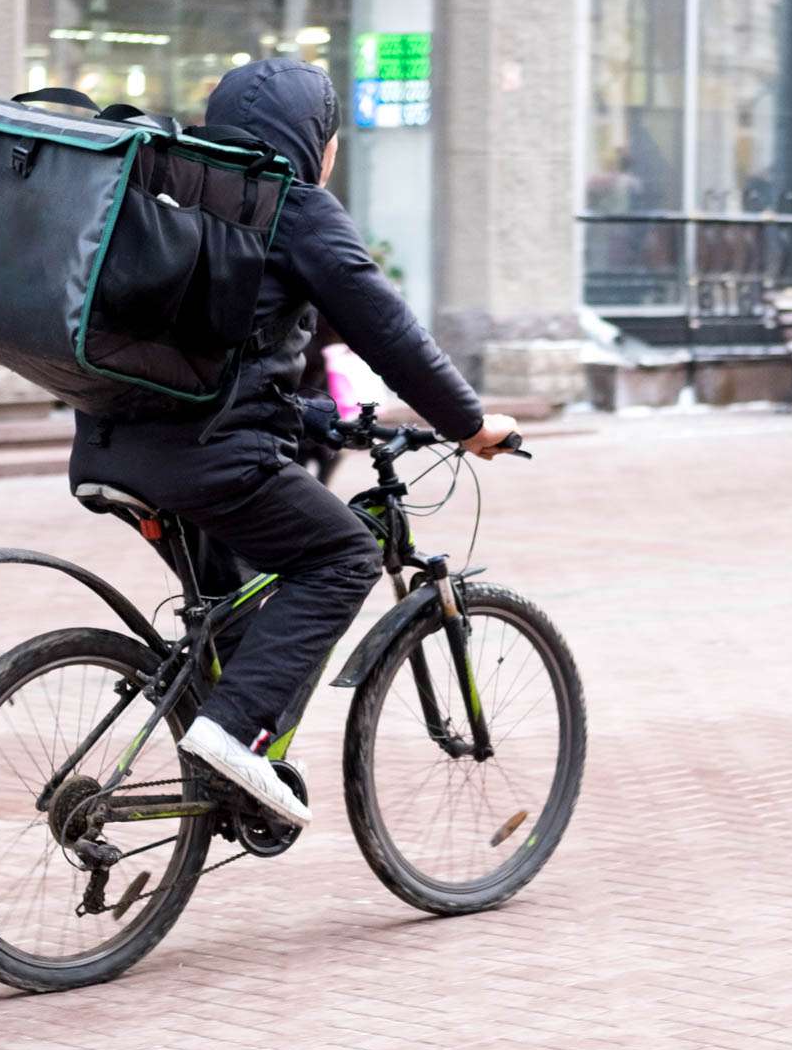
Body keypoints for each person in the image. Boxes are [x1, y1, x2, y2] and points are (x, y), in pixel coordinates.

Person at [68, 59, 520, 828]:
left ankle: (229, 778)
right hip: (211, 462)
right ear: (317, 140)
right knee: (341, 556)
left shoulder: (173, 187)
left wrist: (320, 422)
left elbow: (221, 361)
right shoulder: (293, 207)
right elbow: (389, 330)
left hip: (111, 448)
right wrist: (469, 424)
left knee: (240, 616)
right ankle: (230, 732)